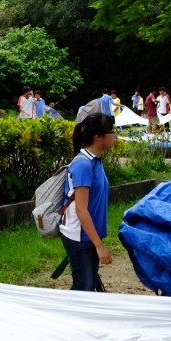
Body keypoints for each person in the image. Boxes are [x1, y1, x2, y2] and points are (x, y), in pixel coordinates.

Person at [59, 113, 116, 291]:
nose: (115, 135)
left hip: (89, 233)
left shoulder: (95, 161)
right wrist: (99, 246)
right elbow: (81, 210)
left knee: (88, 286)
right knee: (83, 287)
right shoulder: (83, 165)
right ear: (98, 137)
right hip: (78, 235)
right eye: (111, 131)